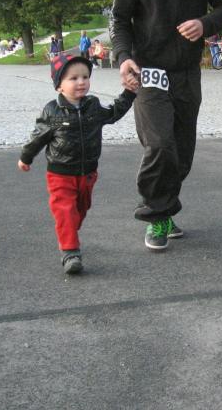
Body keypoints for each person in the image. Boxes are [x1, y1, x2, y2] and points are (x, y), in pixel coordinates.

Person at [111, 0, 222, 251]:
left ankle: (164, 210)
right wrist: (123, 57)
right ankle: (156, 216)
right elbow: (119, 19)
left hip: (186, 72)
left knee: (181, 151)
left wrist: (205, 23)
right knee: (160, 145)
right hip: (149, 70)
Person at [18, 53, 135, 274]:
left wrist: (129, 93)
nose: (81, 82)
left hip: (88, 173)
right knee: (65, 211)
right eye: (73, 78)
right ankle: (70, 252)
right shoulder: (52, 111)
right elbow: (38, 137)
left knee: (80, 210)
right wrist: (26, 157)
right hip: (60, 174)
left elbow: (113, 113)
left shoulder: (93, 105)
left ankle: (70, 230)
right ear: (59, 85)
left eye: (85, 77)